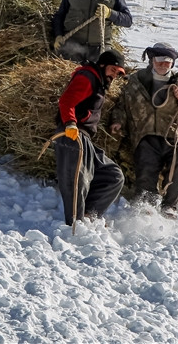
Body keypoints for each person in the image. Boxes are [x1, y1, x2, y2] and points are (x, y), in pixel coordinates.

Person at [108, 42, 178, 213]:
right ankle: (146, 205)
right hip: (145, 132)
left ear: (172, 64)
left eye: (167, 63)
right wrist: (118, 121)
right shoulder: (137, 80)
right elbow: (122, 104)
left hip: (173, 134)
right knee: (146, 164)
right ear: (151, 61)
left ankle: (169, 205)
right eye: (159, 62)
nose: (163, 65)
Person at [53, 49, 127, 226]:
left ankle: (88, 215)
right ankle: (75, 226)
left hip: (85, 138)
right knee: (77, 180)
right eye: (112, 70)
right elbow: (66, 101)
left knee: (113, 175)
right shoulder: (87, 77)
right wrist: (70, 123)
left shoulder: (99, 81)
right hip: (72, 134)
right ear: (102, 65)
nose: (114, 75)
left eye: (118, 73)